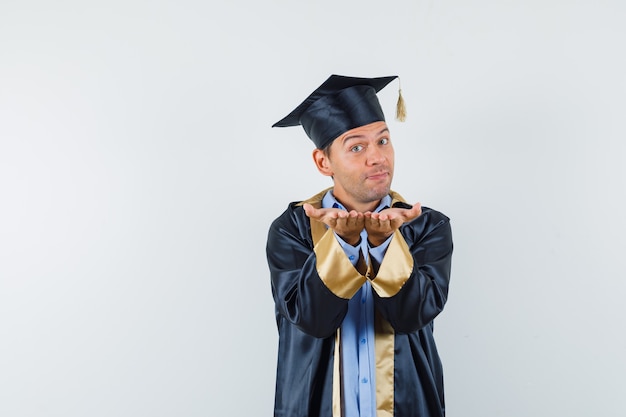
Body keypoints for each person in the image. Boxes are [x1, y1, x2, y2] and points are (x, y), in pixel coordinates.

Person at [266, 74, 453, 417]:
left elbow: (412, 316)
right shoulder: (292, 229)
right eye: (356, 147)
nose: (377, 158)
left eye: (383, 141)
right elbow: (311, 320)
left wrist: (384, 247)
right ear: (324, 162)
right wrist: (344, 245)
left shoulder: (427, 226)